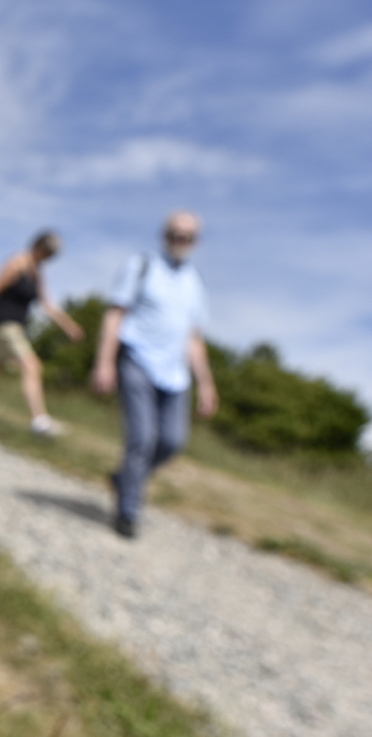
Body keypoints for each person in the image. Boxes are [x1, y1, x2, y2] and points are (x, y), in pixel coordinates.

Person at [91, 211, 219, 538]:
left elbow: (194, 339)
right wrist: (104, 363)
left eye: (187, 236)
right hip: (137, 361)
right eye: (175, 234)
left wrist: (206, 386)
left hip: (175, 376)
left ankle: (124, 479)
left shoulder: (195, 283)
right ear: (165, 235)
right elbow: (114, 314)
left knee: (172, 442)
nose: (180, 241)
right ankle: (128, 512)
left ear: (195, 241)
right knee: (141, 439)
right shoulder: (141, 265)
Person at [0, 230, 84, 436]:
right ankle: (39, 421)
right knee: (32, 366)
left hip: (10, 328)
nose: (49, 257)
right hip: (3, 325)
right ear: (38, 246)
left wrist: (68, 325)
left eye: (52, 255)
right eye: (48, 252)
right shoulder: (18, 263)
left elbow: (46, 303)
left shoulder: (37, 273)